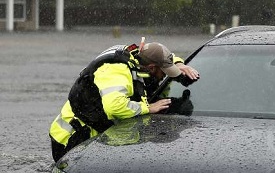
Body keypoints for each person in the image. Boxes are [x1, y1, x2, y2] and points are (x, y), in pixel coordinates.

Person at [49, 41, 200, 162]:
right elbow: (114, 107)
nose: (164, 77)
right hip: (70, 138)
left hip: (95, 135)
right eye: (164, 72)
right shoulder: (118, 70)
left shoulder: (139, 55)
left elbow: (163, 55)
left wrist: (179, 64)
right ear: (152, 68)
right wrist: (148, 107)